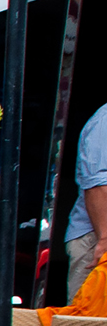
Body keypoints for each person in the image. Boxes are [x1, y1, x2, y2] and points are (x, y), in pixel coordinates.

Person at [67, 103, 107, 299]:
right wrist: (104, 238)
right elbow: (97, 184)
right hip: (95, 237)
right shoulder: (105, 119)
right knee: (88, 316)